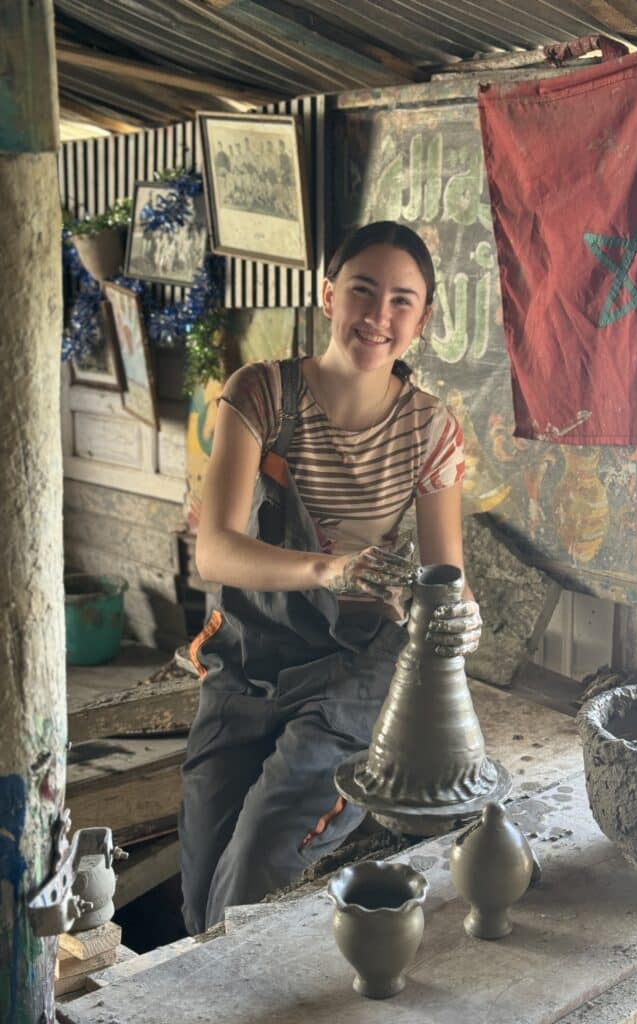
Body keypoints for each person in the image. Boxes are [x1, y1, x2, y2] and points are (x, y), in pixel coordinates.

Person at [179, 220, 483, 935]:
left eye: (402, 301)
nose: (379, 317)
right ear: (328, 296)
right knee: (199, 880)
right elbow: (215, 552)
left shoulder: (430, 430)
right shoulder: (263, 395)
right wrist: (327, 566)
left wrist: (461, 615)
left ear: (424, 319)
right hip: (249, 653)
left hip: (355, 664)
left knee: (260, 856)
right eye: (363, 291)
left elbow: (448, 575)